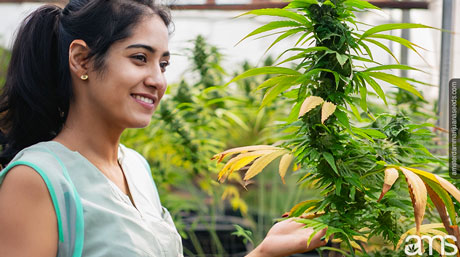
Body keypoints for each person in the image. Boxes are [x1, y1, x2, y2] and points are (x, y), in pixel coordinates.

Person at [0, 1, 327, 256]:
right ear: (82, 60)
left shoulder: (136, 167)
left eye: (164, 64)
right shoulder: (36, 179)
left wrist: (264, 252)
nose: (158, 80)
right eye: (140, 58)